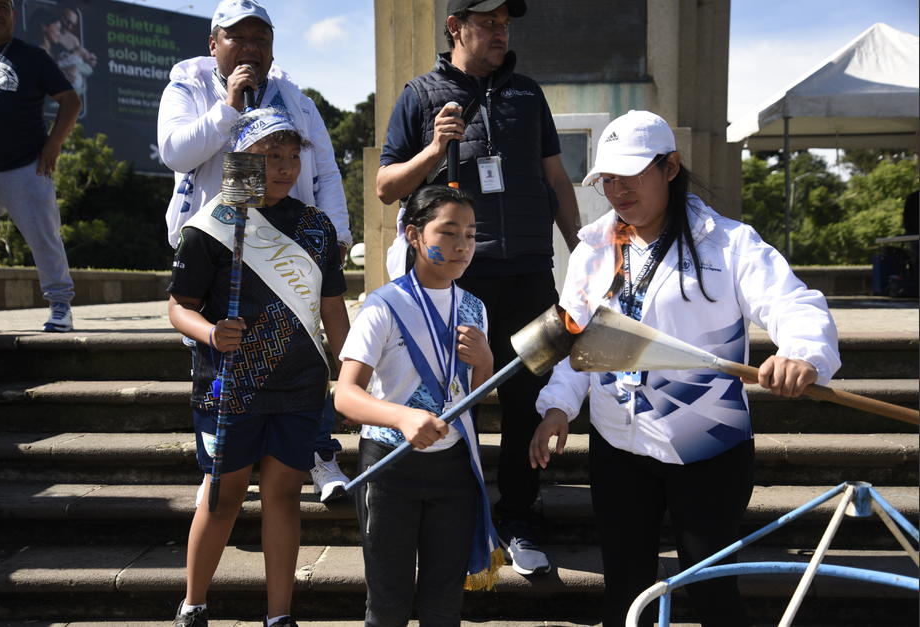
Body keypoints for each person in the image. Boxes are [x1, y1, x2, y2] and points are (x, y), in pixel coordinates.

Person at [528, 110, 841, 627]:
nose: (617, 190)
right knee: (626, 591)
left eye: (630, 175)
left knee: (711, 590)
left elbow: (795, 303)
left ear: (670, 167)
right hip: (618, 446)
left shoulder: (730, 242)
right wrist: (558, 405)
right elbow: (576, 338)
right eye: (607, 179)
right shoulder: (593, 249)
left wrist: (802, 353)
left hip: (709, 446)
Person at [376, 0, 581, 576]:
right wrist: (435, 150)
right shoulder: (420, 96)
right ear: (455, 27)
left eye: (505, 23)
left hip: (529, 276)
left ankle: (519, 519)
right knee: (449, 398)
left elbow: (556, 179)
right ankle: (449, 517)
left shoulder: (526, 94)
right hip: (458, 281)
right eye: (487, 22)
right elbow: (387, 186)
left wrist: (587, 253)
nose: (500, 32)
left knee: (527, 402)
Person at [157, 0, 353, 500]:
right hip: (216, 243)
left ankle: (320, 455)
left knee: (304, 351)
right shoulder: (187, 85)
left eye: (260, 40)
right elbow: (175, 152)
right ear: (213, 43)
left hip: (292, 245)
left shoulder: (294, 97)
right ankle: (222, 461)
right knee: (218, 354)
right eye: (238, 39)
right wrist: (227, 108)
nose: (251, 49)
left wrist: (337, 235)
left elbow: (323, 170)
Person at [168, 108, 350, 627]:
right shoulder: (210, 226)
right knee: (222, 496)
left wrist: (351, 372)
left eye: (293, 157)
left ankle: (279, 615)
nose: (286, 167)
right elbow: (178, 305)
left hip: (298, 385)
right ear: (244, 159)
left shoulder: (316, 227)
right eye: (272, 156)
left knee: (285, 495)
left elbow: (333, 311)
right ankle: (194, 604)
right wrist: (208, 332)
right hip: (230, 388)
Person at [335, 185, 503, 626]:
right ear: (414, 236)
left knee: (444, 605)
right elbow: (346, 395)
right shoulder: (383, 306)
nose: (462, 245)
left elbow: (471, 397)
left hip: (453, 470)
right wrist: (403, 416)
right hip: (390, 467)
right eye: (448, 232)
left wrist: (485, 363)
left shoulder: (474, 307)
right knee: (388, 605)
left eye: (470, 233)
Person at [0, 0, 79, 332]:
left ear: (13, 15)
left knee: (44, 238)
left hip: (26, 167)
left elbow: (70, 100)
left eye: (1, 7)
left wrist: (54, 143)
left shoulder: (32, 56)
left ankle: (60, 306)